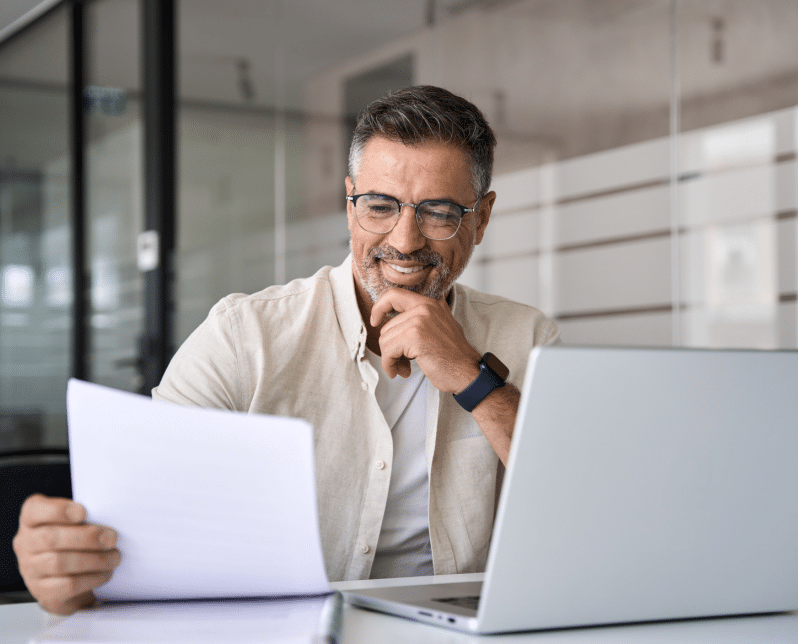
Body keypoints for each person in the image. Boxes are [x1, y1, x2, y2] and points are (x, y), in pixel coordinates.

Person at [13, 85, 559, 615]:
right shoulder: (243, 336)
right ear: (350, 205)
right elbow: (140, 530)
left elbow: (585, 514)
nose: (405, 240)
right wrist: (69, 574)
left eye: (439, 212)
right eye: (379, 206)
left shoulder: (528, 338)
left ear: (481, 218)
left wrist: (471, 376)